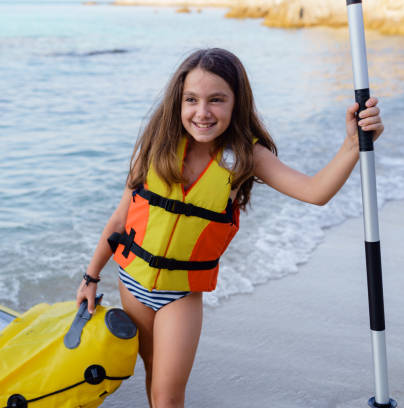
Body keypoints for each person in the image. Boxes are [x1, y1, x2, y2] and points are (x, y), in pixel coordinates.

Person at [75, 48, 384, 408]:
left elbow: (315, 192)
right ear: (178, 101)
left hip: (180, 296)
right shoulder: (157, 144)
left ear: (237, 103)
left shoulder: (246, 157)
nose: (202, 112)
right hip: (131, 284)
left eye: (216, 100)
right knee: (153, 377)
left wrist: (352, 145)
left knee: (168, 396)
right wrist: (91, 276)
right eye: (191, 99)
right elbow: (119, 219)